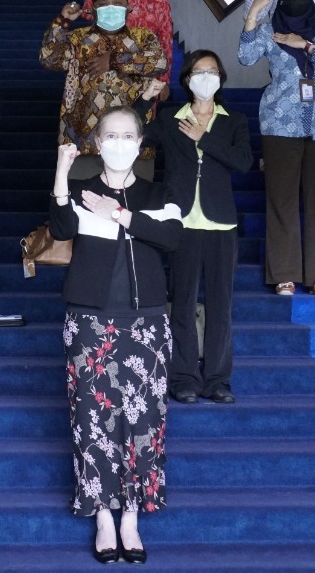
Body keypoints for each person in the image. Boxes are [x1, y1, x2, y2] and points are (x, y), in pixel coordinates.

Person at [50, 106, 182, 566]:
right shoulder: (84, 192)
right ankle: (102, 515)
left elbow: (171, 237)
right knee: (92, 418)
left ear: (140, 141)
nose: (120, 143)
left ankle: (131, 515)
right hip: (91, 321)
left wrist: (121, 214)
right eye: (111, 135)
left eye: (128, 135)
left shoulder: (158, 191)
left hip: (145, 321)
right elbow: (61, 227)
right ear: (98, 142)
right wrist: (63, 175)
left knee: (143, 421)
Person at [137, 50, 252, 404]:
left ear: (221, 78)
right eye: (200, 71)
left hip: (221, 223)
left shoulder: (233, 120)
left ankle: (218, 379)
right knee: (183, 300)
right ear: (187, 79)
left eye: (213, 71)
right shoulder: (172, 119)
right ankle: (184, 376)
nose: (207, 77)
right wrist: (144, 100)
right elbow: (135, 132)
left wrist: (205, 136)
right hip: (181, 221)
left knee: (220, 303)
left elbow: (243, 162)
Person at [238, 0, 315, 296]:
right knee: (281, 200)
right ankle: (284, 274)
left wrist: (305, 45)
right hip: (278, 123)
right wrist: (251, 17)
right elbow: (245, 57)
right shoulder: (267, 29)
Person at [40, 0, 166, 180]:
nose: (111, 7)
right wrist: (62, 22)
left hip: (133, 142)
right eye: (103, 3)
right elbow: (48, 58)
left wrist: (115, 60)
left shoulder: (143, 38)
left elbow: (158, 62)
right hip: (83, 141)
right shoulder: (77, 39)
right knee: (82, 205)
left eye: (117, 2)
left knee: (133, 205)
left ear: (127, 8)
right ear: (93, 9)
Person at [82, 0, 173, 100]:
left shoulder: (161, 3)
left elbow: (166, 43)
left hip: (147, 71)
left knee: (142, 119)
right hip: (112, 67)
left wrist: (163, 81)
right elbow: (86, 13)